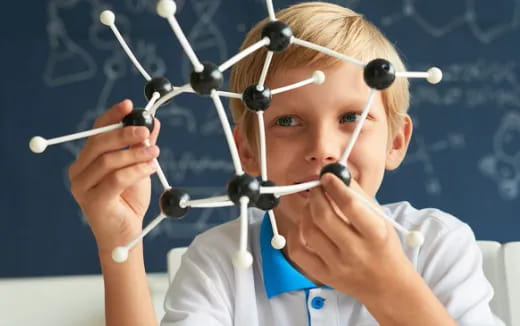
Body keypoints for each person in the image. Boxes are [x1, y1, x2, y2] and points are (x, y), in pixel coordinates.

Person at [68, 2, 505, 325]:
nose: (322, 148)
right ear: (248, 152)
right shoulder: (221, 263)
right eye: (288, 120)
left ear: (396, 141)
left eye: (352, 118)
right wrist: (118, 247)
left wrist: (388, 285)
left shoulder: (435, 246)